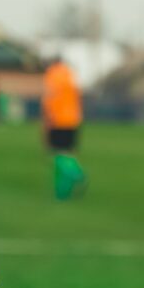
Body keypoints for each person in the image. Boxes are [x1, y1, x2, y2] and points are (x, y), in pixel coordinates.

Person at [42, 57, 86, 199]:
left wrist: (47, 119)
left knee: (57, 154)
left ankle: (75, 172)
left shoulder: (52, 75)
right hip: (73, 119)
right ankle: (62, 192)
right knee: (68, 153)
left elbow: (50, 98)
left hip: (57, 120)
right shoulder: (71, 74)